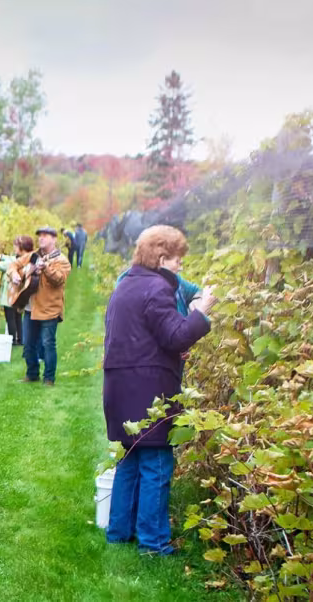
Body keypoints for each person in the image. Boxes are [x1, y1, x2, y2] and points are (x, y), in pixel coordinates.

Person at [103, 225, 215, 555]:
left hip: (120, 385)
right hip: (148, 388)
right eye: (177, 259)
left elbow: (147, 335)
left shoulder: (126, 284)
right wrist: (202, 311)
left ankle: (119, 532)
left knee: (130, 458)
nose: (181, 265)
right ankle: (153, 543)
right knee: (157, 463)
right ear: (162, 258)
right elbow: (175, 336)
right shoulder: (156, 288)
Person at [17, 226, 71, 387]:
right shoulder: (32, 256)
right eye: (40, 235)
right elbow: (15, 265)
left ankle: (49, 378)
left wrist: (46, 268)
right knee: (28, 344)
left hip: (49, 309)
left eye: (45, 235)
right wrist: (14, 274)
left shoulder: (61, 260)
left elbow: (59, 279)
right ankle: (32, 374)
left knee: (48, 344)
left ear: (54, 239)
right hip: (31, 307)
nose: (41, 238)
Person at [0, 235, 34, 346]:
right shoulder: (23, 259)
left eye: (16, 246)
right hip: (18, 294)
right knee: (17, 317)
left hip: (9, 295)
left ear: (22, 247)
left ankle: (12, 340)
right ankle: (20, 339)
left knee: (10, 318)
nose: (14, 248)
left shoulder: (15, 261)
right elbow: (9, 258)